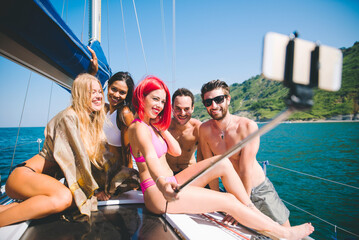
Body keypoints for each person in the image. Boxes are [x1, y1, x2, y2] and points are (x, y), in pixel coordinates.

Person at [128, 75, 314, 240]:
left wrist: (160, 127)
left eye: (162, 101)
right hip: (158, 193)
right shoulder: (137, 128)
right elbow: (151, 158)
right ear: (141, 97)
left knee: (222, 163)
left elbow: (175, 151)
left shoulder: (151, 126)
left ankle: (249, 207)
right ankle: (283, 233)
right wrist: (161, 183)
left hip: (171, 181)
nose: (159, 105)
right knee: (228, 201)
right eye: (154, 99)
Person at [0, 73, 106, 227]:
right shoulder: (69, 117)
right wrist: (94, 191)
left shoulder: (86, 120)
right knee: (65, 198)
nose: (98, 96)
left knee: (74, 199)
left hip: (39, 181)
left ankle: (8, 208)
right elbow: (78, 161)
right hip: (24, 176)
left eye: (99, 92)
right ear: (80, 93)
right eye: (92, 92)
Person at [199, 79, 290, 226]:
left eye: (218, 99)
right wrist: (216, 202)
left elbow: (245, 169)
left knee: (284, 231)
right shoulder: (205, 130)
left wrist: (243, 207)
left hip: (258, 190)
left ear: (228, 99)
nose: (214, 106)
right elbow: (211, 169)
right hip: (232, 192)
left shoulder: (247, 127)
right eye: (208, 102)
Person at [94, 72, 140, 201]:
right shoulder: (106, 110)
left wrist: (127, 184)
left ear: (127, 95)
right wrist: (93, 73)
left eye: (122, 92)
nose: (116, 95)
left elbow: (128, 155)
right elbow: (90, 95)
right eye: (114, 89)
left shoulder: (124, 113)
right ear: (108, 87)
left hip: (122, 175)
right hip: (108, 172)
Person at [166, 88, 202, 174]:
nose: (182, 113)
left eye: (186, 109)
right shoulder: (164, 128)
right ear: (172, 107)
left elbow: (205, 158)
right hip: (168, 174)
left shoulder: (198, 128)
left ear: (192, 108)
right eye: (178, 108)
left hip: (190, 174)